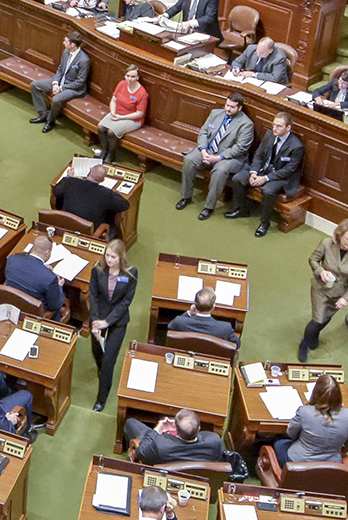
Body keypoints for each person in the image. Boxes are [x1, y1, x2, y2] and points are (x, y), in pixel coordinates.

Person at [291, 219, 348, 362]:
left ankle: (314, 335)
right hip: (321, 289)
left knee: (326, 318)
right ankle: (305, 343)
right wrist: (321, 272)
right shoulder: (326, 244)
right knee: (318, 319)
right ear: (339, 235)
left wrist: (346, 298)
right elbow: (313, 260)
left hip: (339, 293)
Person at [85, 240, 136, 413]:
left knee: (109, 361)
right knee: (97, 352)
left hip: (118, 321)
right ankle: (103, 372)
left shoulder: (130, 274)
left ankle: (101, 398)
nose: (109, 259)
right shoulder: (97, 270)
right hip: (98, 317)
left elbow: (126, 302)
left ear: (120, 257)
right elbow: (94, 296)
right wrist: (96, 321)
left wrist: (107, 322)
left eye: (113, 257)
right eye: (107, 255)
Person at [238, 112, 305, 236]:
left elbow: (288, 170)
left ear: (288, 127)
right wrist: (254, 172)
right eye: (274, 125)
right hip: (265, 169)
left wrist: (265, 178)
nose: (274, 128)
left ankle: (264, 223)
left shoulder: (296, 146)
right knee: (238, 178)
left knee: (268, 191)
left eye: (279, 126)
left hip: (282, 177)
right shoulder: (269, 134)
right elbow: (259, 154)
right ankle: (242, 209)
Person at [276, 375, 348, 464]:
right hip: (331, 464)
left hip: (299, 461)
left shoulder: (304, 411)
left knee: (279, 442)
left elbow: (291, 433)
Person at [28, 30, 89, 132]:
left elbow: (79, 82)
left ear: (73, 44)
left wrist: (62, 88)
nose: (63, 43)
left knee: (56, 99)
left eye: (65, 41)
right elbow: (60, 69)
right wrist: (55, 83)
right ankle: (44, 114)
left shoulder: (84, 60)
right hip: (60, 82)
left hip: (73, 88)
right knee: (34, 85)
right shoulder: (66, 52)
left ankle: (50, 121)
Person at [126, 406, 226, 465]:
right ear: (199, 427)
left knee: (131, 423)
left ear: (176, 431)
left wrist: (157, 430)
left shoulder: (160, 445)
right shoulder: (214, 441)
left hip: (162, 467)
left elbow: (140, 452)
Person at [54, 159, 129, 235]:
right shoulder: (105, 194)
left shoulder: (71, 182)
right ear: (102, 180)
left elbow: (56, 191)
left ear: (89, 173)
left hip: (66, 226)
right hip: (88, 232)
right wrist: (112, 192)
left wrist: (69, 177)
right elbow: (125, 205)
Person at [93, 65, 147, 162]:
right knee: (101, 127)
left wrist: (121, 117)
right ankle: (105, 150)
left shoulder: (142, 93)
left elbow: (139, 114)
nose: (129, 79)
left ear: (138, 77)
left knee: (111, 132)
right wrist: (113, 112)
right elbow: (113, 101)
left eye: (133, 76)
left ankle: (111, 154)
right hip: (117, 113)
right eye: (128, 76)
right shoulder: (121, 84)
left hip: (132, 119)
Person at [2, 234, 65, 317]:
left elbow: (28, 270)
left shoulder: (12, 259)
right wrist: (59, 286)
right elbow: (55, 305)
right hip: (34, 314)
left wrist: (42, 268)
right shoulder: (49, 278)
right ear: (47, 253)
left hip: (12, 304)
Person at [169, 286, 238, 343]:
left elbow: (170, 327)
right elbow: (237, 344)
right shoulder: (225, 328)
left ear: (195, 305)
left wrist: (189, 313)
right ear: (213, 306)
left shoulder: (179, 322)